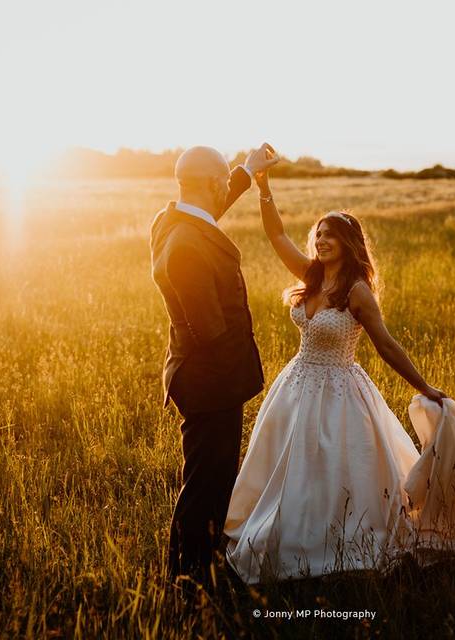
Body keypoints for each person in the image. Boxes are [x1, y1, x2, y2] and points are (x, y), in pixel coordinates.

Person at [224, 159, 455, 584]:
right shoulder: (311, 276)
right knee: (289, 466)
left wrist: (424, 386)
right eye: (319, 234)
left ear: (350, 243)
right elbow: (276, 234)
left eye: (331, 234)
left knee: (338, 467)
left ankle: (336, 537)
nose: (322, 240)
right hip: (296, 386)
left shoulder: (357, 292)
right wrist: (263, 185)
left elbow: (386, 345)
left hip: (339, 391)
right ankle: (287, 526)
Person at [149, 144, 278, 589]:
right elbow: (209, 331)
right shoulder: (186, 245)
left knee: (205, 476)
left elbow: (209, 210)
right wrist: (237, 374)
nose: (225, 187)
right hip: (211, 381)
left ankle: (188, 567)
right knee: (208, 483)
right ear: (207, 183)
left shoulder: (171, 221)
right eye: (221, 179)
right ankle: (191, 578)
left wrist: (246, 171)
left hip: (200, 375)